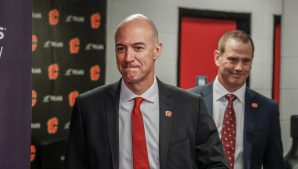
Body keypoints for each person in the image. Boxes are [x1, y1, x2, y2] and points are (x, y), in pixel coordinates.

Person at [65, 14, 229, 169]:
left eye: (138, 48)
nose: (128, 57)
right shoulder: (87, 107)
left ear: (156, 51)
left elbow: (215, 165)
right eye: (121, 48)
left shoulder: (190, 106)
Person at [189, 30, 284, 169]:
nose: (239, 67)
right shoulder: (190, 101)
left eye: (246, 61)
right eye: (233, 59)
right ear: (217, 57)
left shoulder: (267, 109)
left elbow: (275, 163)